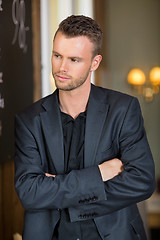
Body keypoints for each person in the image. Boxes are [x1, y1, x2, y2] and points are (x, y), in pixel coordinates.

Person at [14, 15, 155, 240]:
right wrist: (99, 174)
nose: (62, 67)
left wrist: (59, 194)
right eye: (57, 55)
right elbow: (30, 193)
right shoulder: (28, 120)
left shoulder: (124, 109)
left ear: (95, 63)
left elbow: (142, 181)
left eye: (74, 60)